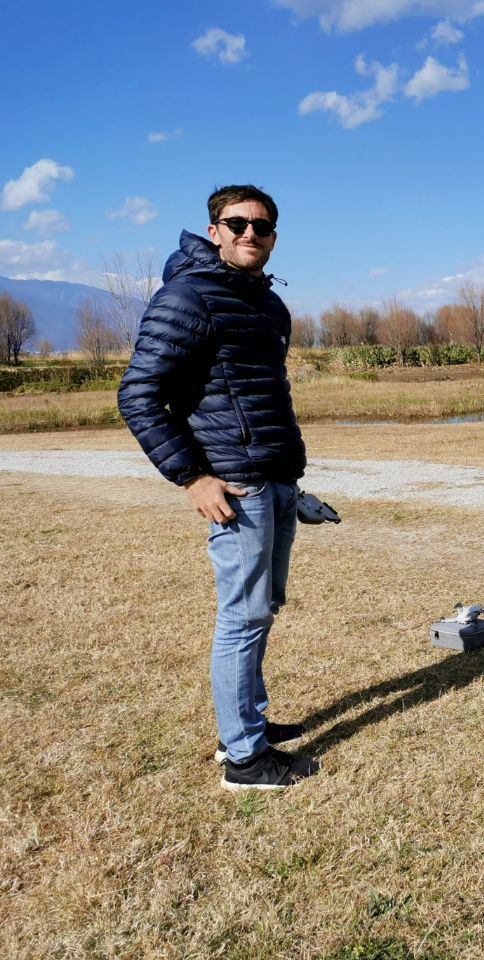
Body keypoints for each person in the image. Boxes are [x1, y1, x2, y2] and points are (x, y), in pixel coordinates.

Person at [118, 185, 318, 791]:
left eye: (261, 226)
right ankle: (244, 760)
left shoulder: (267, 306)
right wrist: (192, 476)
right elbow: (139, 395)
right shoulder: (187, 298)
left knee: (263, 608)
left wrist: (292, 477)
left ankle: (247, 722)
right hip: (235, 486)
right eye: (236, 224)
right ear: (214, 232)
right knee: (243, 617)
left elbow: (263, 397)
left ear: (274, 236)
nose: (249, 234)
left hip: (273, 480)